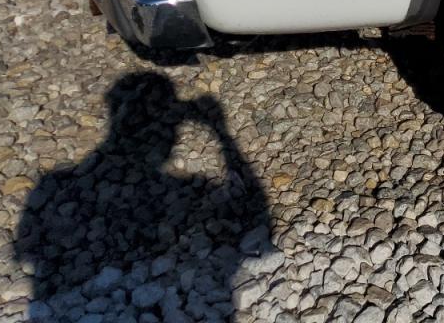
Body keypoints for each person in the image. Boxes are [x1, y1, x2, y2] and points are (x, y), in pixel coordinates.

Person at [15, 72, 272, 321]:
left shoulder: (54, 184)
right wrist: (221, 132)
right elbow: (258, 215)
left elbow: (27, 255)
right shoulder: (57, 183)